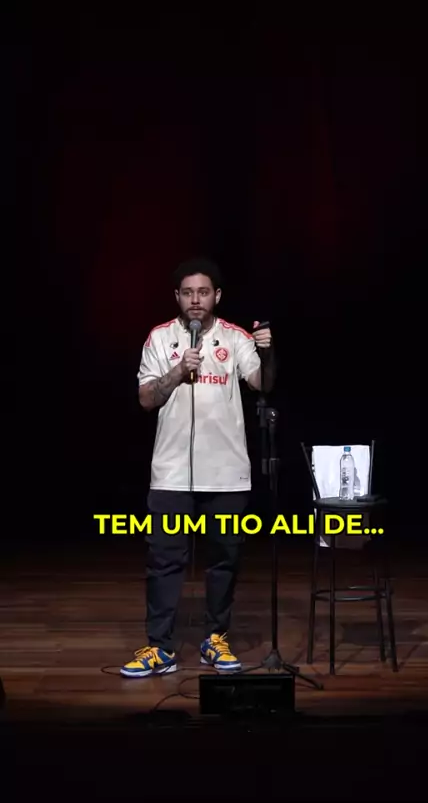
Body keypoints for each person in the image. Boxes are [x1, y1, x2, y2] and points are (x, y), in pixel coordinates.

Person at [121, 257, 275, 677]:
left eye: (203, 292)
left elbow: (262, 382)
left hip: (226, 473)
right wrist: (178, 370)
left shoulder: (235, 338)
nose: (195, 300)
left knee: (224, 559)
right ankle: (160, 647)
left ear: (216, 296)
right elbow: (146, 399)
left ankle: (215, 639)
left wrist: (267, 350)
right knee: (164, 561)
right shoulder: (160, 338)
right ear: (177, 297)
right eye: (188, 292)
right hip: (171, 473)